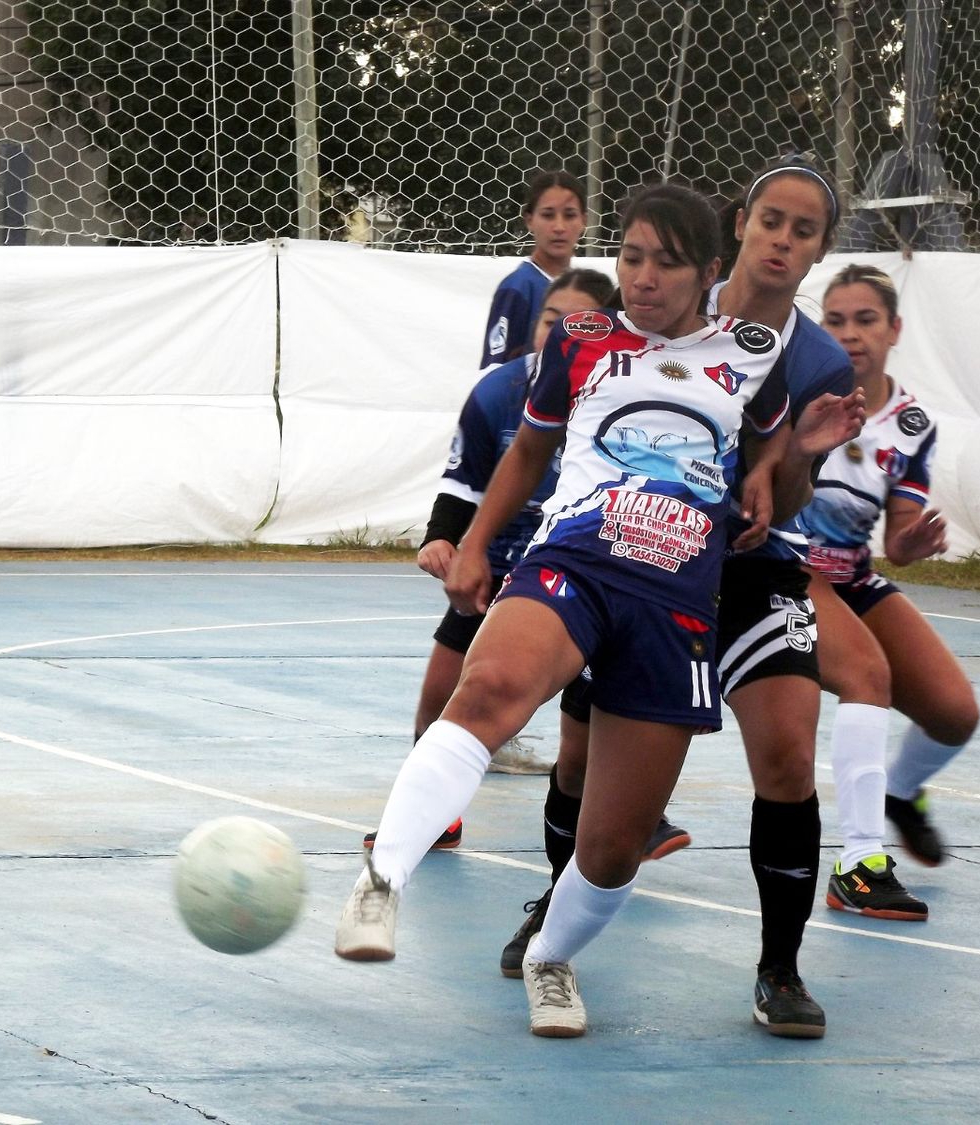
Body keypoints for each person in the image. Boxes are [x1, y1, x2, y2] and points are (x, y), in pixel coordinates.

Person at [335, 182, 859, 1039]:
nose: (644, 277)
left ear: (708, 272)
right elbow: (530, 448)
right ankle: (380, 881)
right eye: (632, 256)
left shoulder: (753, 356)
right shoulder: (581, 342)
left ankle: (551, 957)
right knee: (492, 688)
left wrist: (792, 455)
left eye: (667, 262)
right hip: (574, 558)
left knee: (614, 845)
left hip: (679, 600)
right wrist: (471, 542)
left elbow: (769, 469)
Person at [493, 156, 868, 1039]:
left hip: (751, 568)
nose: (782, 239)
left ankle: (780, 966)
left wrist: (790, 472)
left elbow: (796, 490)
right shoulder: (654, 308)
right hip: (635, 557)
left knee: (786, 751)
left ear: (819, 251)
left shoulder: (809, 357)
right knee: (582, 759)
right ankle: (557, 905)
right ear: (738, 226)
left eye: (804, 230)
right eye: (771, 220)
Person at [371, 268, 691, 854]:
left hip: (585, 573)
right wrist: (445, 538)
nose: (560, 331)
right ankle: (432, 817)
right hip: (498, 567)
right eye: (550, 319)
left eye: (577, 323)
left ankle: (639, 814)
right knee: (444, 690)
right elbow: (462, 483)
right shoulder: (499, 391)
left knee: (591, 728)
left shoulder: (627, 392)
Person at [807, 264, 979, 919]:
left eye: (866, 319)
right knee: (867, 676)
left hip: (853, 576)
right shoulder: (798, 394)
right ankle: (859, 862)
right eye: (837, 320)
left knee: (954, 712)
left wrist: (906, 545)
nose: (851, 334)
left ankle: (899, 793)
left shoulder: (910, 424)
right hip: (787, 572)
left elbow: (900, 527)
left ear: (894, 330)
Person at [479, 171, 587, 368]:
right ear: (529, 220)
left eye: (570, 215)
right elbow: (493, 371)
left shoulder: (584, 292)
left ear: (584, 221)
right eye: (548, 215)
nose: (559, 227)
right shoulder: (518, 287)